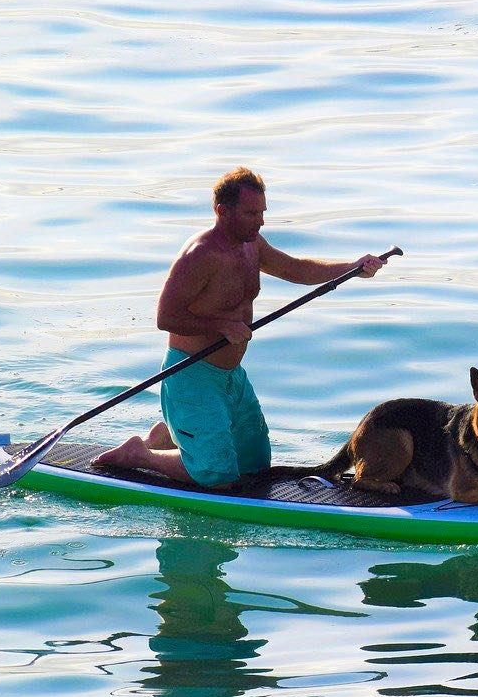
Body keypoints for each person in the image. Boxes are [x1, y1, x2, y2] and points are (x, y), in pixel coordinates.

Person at [93, 167, 384, 486]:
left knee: (255, 467)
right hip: (191, 374)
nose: (260, 221)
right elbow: (166, 317)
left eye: (262, 212)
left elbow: (296, 269)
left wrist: (351, 268)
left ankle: (169, 436)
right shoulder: (200, 254)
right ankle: (138, 454)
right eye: (251, 213)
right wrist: (222, 325)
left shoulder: (252, 244)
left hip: (231, 377)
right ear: (223, 211)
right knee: (217, 475)